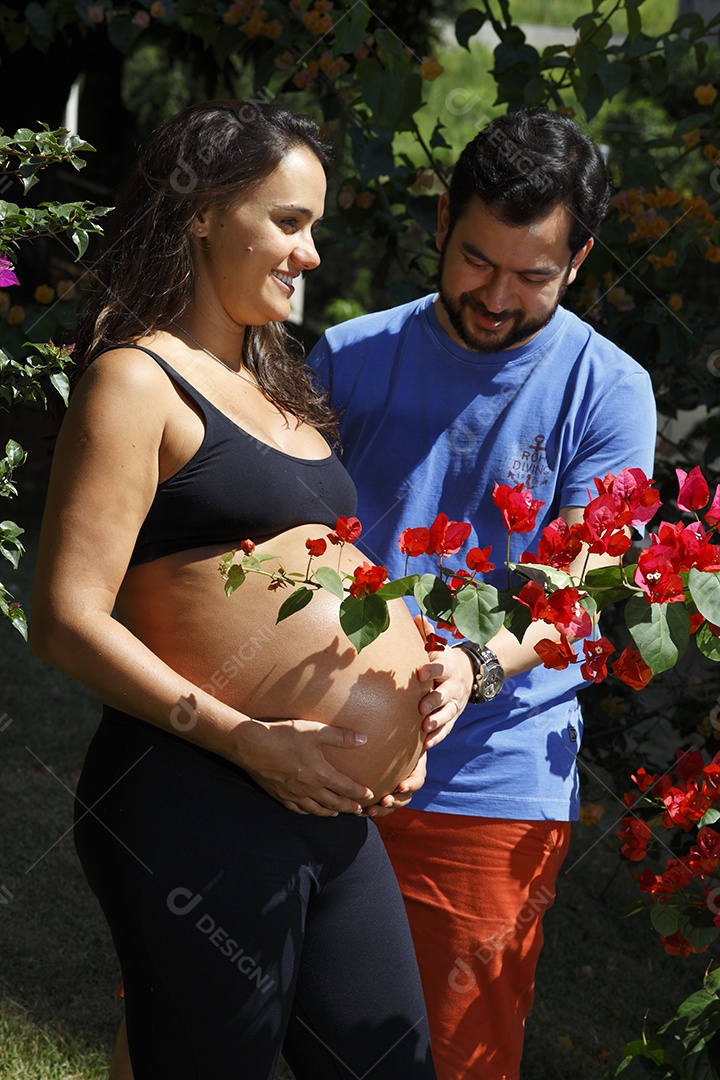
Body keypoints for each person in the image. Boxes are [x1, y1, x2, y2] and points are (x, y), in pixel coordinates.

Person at [29, 100, 438, 1080]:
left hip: (329, 807)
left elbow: (324, 575)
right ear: (204, 211)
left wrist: (422, 673)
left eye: (316, 228)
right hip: (193, 788)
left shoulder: (279, 384)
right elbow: (63, 618)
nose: (311, 255)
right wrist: (245, 738)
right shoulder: (135, 381)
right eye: (288, 222)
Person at [308, 106, 657, 1080]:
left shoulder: (609, 390)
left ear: (579, 261)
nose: (496, 296)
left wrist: (471, 668)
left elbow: (578, 591)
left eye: (532, 276)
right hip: (320, 744)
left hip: (490, 780)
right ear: (440, 225)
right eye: (476, 261)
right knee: (235, 1027)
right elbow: (287, 550)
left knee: (451, 1059)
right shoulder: (347, 357)